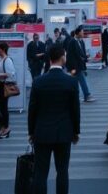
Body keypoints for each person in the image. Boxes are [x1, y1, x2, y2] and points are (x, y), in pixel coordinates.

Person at [29, 45, 80, 194]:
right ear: (62, 57)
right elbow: (75, 110)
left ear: (50, 59)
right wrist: (76, 131)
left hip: (42, 132)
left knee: (40, 172)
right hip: (64, 132)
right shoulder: (71, 82)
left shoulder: (38, 81)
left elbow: (33, 110)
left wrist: (31, 132)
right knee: (63, 170)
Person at [66, 26, 93, 102]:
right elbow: (72, 56)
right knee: (82, 80)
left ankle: (74, 97)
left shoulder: (81, 41)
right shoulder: (72, 42)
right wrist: (72, 68)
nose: (83, 33)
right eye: (82, 31)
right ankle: (87, 95)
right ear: (77, 33)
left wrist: (86, 57)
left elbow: (82, 53)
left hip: (80, 65)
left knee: (75, 82)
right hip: (75, 66)